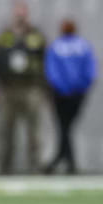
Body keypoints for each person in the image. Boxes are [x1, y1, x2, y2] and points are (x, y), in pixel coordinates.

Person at [0, 1, 46, 174]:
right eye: (17, 11)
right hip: (8, 88)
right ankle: (3, 167)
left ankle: (35, 166)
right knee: (5, 129)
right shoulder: (5, 35)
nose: (20, 15)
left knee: (34, 130)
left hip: (30, 87)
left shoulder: (36, 35)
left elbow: (45, 58)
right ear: (13, 13)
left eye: (23, 11)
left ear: (27, 14)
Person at [44, 19, 97, 175]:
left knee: (64, 127)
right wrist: (79, 88)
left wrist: (62, 88)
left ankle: (61, 160)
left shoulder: (56, 46)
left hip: (61, 94)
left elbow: (51, 71)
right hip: (77, 94)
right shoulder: (84, 46)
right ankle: (66, 161)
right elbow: (90, 71)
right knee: (66, 127)